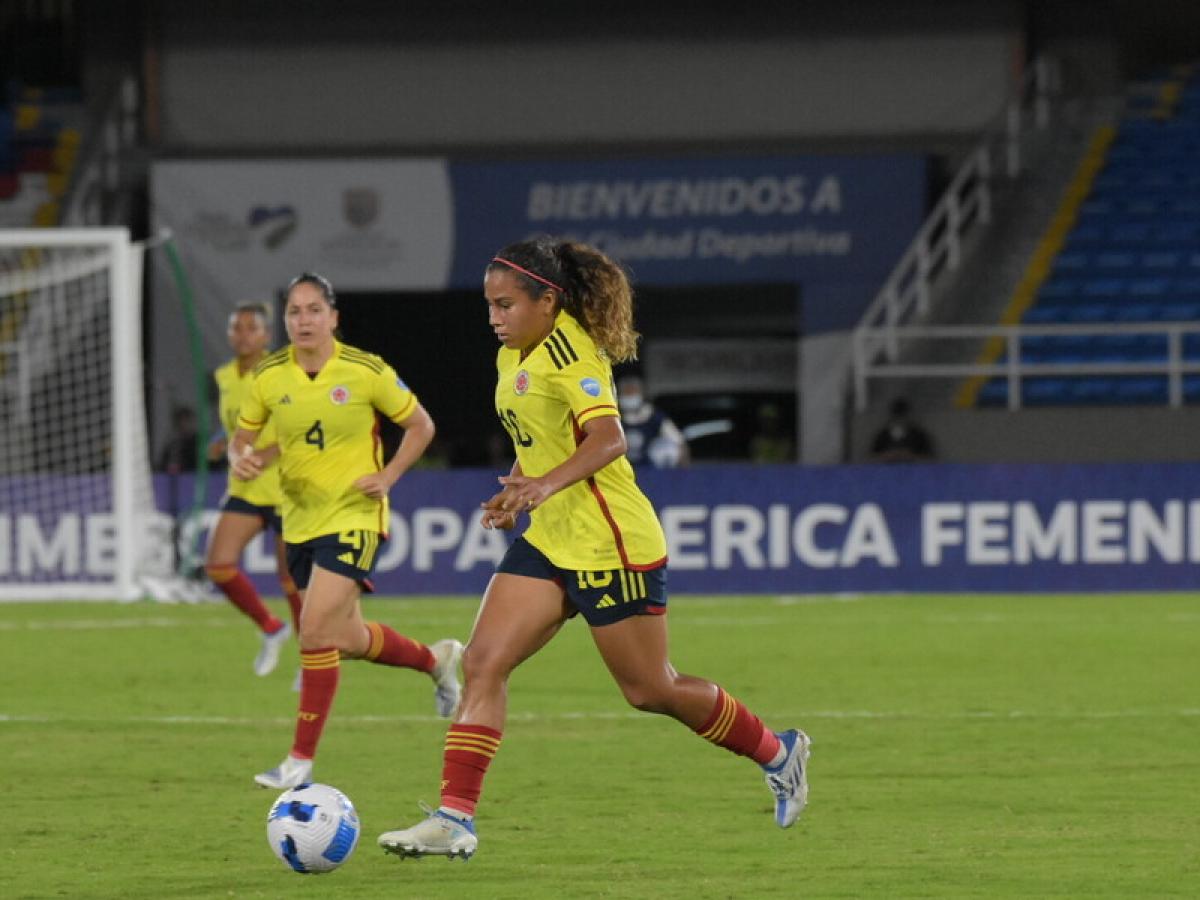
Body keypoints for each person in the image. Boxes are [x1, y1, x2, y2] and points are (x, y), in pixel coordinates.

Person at [377, 237, 810, 861]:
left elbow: (609, 439)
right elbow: (541, 439)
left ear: (547, 300)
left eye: (505, 306)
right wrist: (521, 491)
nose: (493, 319)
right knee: (483, 662)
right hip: (552, 539)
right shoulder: (515, 355)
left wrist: (544, 486)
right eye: (489, 306)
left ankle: (778, 751)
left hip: (613, 545)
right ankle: (454, 818)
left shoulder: (571, 353)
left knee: (650, 691)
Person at [228, 272, 464, 790]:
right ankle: (436, 659)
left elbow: (421, 425)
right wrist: (240, 459)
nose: (304, 320)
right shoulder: (269, 376)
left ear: (333, 317)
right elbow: (241, 438)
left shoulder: (365, 370)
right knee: (345, 638)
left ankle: (299, 762)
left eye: (314, 310)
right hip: (300, 520)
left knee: (313, 630)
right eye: (294, 311)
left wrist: (389, 475)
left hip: (356, 516)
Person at [205, 302, 303, 680]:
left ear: (265, 335)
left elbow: (297, 426)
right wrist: (221, 441)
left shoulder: (281, 371)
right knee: (217, 565)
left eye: (251, 328)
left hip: (284, 488)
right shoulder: (224, 376)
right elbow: (237, 423)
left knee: (291, 580)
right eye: (237, 327)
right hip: (245, 487)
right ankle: (270, 626)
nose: (243, 334)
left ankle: (309, 661)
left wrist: (264, 453)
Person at [616, 372, 689, 468]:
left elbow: (679, 442)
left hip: (651, 467)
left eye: (633, 392)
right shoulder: (612, 416)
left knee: (669, 449)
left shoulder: (653, 415)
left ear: (642, 393)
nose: (630, 397)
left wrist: (684, 474)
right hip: (621, 466)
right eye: (626, 393)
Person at [870, 396, 936, 463]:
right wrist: (888, 456)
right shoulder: (883, 435)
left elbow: (931, 459)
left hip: (915, 471)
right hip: (886, 472)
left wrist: (910, 456)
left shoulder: (918, 435)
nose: (900, 420)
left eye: (902, 417)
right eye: (897, 417)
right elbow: (870, 460)